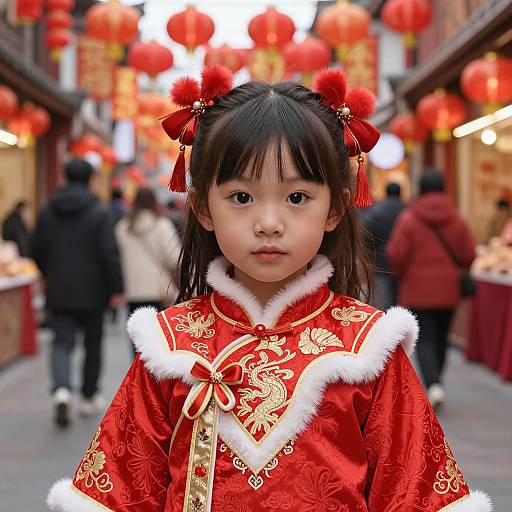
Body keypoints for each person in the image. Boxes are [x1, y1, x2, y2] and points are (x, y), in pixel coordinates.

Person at [47, 68, 490, 511]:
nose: (269, 223)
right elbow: (116, 495)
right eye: (242, 197)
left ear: (334, 207)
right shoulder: (169, 347)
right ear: (203, 207)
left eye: (297, 197)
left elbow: (418, 494)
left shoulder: (369, 349)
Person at [32, 159, 123, 428]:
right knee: (92, 344)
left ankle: (61, 389)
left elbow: (36, 249)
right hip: (94, 291)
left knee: (61, 342)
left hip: (59, 289)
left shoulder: (48, 211)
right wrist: (115, 288)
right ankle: (88, 394)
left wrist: (49, 272)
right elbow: (109, 254)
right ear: (90, 179)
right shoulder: (99, 212)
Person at [387, 169, 476, 410]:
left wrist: (404, 273)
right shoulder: (457, 218)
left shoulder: (409, 218)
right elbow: (469, 254)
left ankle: (433, 384)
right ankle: (437, 381)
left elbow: (396, 254)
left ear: (421, 189)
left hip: (416, 290)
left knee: (424, 337)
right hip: (449, 290)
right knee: (441, 337)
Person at [115, 187, 181, 346]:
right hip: (159, 290)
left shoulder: (123, 227)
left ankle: (138, 369)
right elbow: (174, 257)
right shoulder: (162, 225)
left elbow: (116, 256)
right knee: (159, 339)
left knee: (137, 338)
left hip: (133, 290)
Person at [364, 182, 405, 310]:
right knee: (401, 301)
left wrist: (370, 256)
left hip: (381, 262)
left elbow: (365, 234)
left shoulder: (377, 211)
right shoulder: (408, 211)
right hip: (404, 265)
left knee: (384, 302)